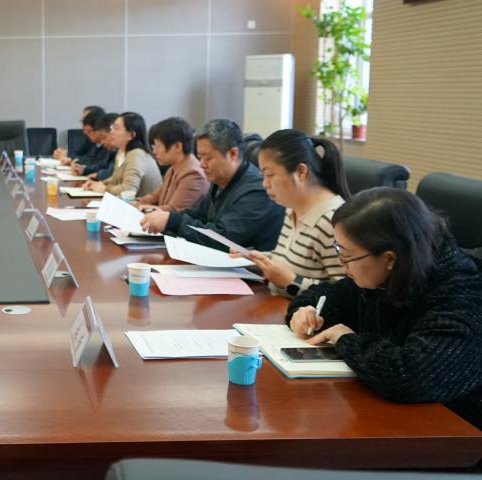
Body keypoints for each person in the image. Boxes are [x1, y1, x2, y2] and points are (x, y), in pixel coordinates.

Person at [286, 188, 482, 429]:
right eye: (338, 250)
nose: (342, 264)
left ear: (389, 258)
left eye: (346, 255)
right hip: (393, 417)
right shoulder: (391, 273)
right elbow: (326, 296)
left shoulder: (462, 294)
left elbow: (411, 376)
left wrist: (346, 339)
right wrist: (305, 311)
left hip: (455, 431)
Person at [143, 118, 284, 251]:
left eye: (208, 158)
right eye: (199, 158)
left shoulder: (257, 191)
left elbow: (224, 239)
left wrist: (173, 221)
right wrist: (166, 218)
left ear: (233, 154)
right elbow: (196, 215)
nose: (201, 164)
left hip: (249, 266)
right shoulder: (220, 180)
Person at [242, 129, 350, 297]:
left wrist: (292, 282)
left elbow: (346, 296)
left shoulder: (332, 221)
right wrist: (253, 259)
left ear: (301, 171)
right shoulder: (293, 207)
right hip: (277, 304)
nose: (265, 184)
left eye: (270, 175)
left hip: (303, 312)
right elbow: (288, 262)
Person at [81, 112, 162, 198]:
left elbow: (129, 190)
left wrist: (105, 189)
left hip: (143, 205)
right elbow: (115, 178)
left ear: (131, 135)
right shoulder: (121, 152)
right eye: (112, 128)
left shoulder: (137, 154)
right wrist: (98, 184)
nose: (111, 132)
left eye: (116, 128)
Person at [137, 117, 208, 212]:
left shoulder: (193, 174)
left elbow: (174, 210)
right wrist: (137, 202)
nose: (154, 152)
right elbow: (155, 196)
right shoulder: (173, 168)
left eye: (158, 146)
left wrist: (142, 207)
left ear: (178, 146)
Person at [73, 112, 116, 179]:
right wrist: (84, 169)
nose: (102, 142)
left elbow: (113, 173)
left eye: (104, 137)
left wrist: (98, 175)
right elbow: (101, 164)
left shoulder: (127, 152)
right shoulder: (113, 150)